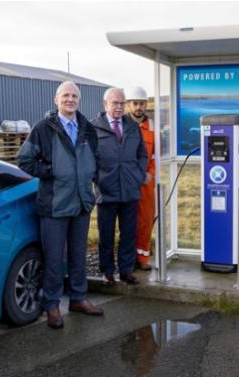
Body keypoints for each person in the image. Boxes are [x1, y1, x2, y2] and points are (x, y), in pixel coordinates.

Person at [17, 81, 104, 330]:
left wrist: (95, 182)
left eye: (74, 96)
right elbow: (24, 160)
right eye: (65, 95)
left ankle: (78, 298)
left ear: (79, 100)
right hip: (54, 205)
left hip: (80, 203)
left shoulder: (87, 128)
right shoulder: (44, 129)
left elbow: (95, 160)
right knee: (54, 259)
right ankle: (52, 305)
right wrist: (51, 170)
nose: (70, 100)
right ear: (56, 100)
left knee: (79, 256)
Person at [92, 88, 147, 286]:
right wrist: (98, 179)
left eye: (121, 103)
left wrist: (138, 175)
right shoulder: (94, 128)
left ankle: (126, 270)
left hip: (130, 190)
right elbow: (89, 158)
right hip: (106, 191)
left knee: (128, 233)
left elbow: (142, 154)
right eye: (114, 103)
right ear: (105, 104)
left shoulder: (132, 127)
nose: (118, 107)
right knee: (106, 234)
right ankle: (107, 272)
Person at [126, 86, 155, 271]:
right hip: (126, 181)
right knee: (128, 221)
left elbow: (156, 155)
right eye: (135, 103)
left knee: (145, 219)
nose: (138, 107)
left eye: (142, 103)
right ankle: (128, 259)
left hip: (145, 182)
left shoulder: (152, 126)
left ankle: (142, 257)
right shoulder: (122, 125)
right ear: (129, 105)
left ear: (146, 105)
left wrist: (150, 173)